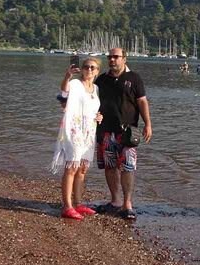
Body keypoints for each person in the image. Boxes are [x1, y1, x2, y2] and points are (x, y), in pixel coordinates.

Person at [95, 48, 153, 220]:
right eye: (110, 57)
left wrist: (148, 124)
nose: (112, 60)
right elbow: (92, 99)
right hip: (105, 130)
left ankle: (127, 204)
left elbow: (142, 101)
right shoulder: (102, 79)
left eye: (116, 57)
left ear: (124, 59)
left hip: (129, 131)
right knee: (110, 166)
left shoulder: (134, 78)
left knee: (128, 167)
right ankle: (114, 201)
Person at [51, 58, 103, 220]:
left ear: (97, 71)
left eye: (92, 68)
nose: (88, 70)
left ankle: (78, 203)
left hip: (89, 130)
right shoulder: (75, 84)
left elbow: (93, 108)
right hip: (74, 129)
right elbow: (64, 93)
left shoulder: (95, 88)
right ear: (81, 69)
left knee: (82, 168)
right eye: (86, 67)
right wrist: (67, 77)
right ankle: (67, 206)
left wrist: (99, 116)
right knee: (72, 166)